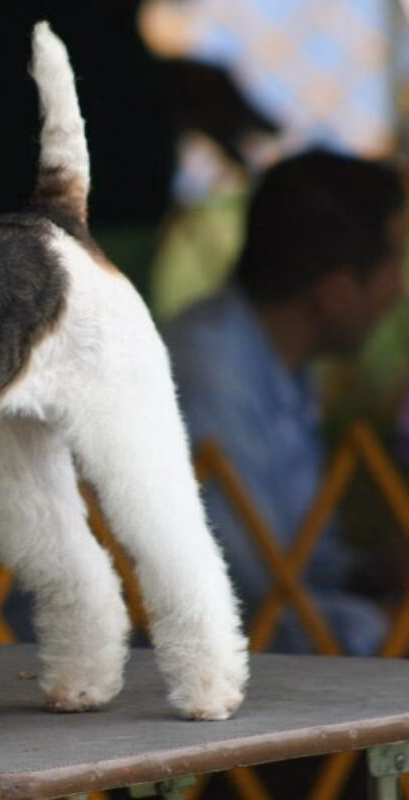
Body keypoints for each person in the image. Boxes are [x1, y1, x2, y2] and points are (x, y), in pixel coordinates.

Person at [164, 149, 407, 656]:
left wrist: (371, 569)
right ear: (336, 292)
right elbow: (253, 606)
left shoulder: (282, 371)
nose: (399, 290)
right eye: (393, 265)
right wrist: (387, 630)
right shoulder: (208, 380)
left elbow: (299, 568)